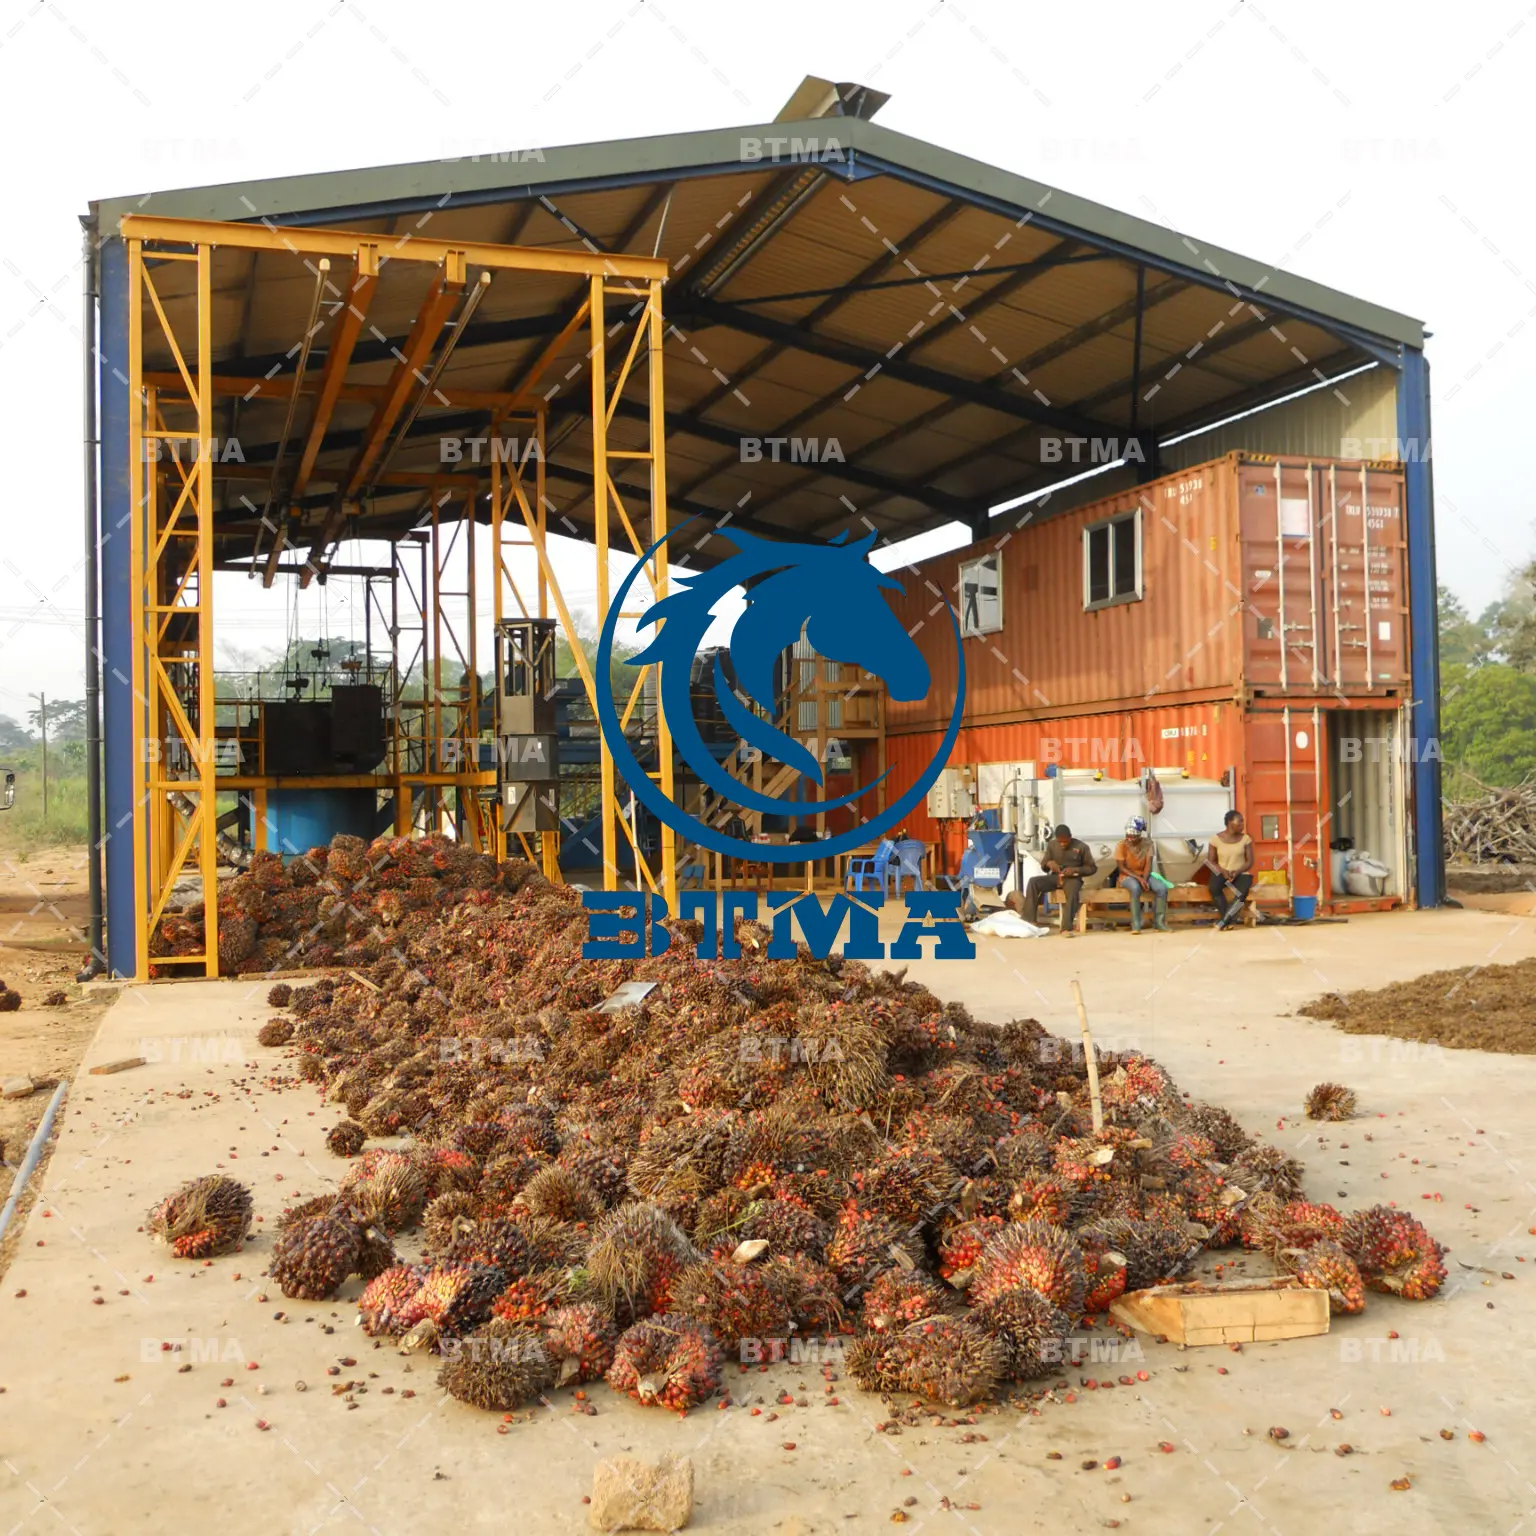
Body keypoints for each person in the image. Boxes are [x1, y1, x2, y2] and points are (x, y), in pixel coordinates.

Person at [1021, 824, 1096, 934]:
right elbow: (1044, 865)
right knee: (1033, 882)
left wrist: (1076, 870)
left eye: (1065, 842)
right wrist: (1049, 864)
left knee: (1072, 894)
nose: (1063, 844)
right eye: (1060, 842)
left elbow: (1092, 868)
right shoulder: (1052, 845)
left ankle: (1066, 928)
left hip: (1072, 878)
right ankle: (1029, 920)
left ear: (1070, 837)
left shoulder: (1081, 847)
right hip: (1055, 877)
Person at [1116, 816, 1168, 933]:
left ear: (1140, 835)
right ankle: (1136, 924)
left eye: (1133, 836)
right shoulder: (1121, 845)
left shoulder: (1148, 844)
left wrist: (1144, 879)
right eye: (1128, 835)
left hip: (1145, 874)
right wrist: (1139, 879)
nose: (1130, 838)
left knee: (1162, 888)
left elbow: (1148, 864)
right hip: (1127, 876)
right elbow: (1121, 867)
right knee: (1135, 888)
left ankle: (1159, 922)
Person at [1204, 809, 1255, 929]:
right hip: (1222, 871)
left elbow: (1249, 861)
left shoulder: (1246, 839)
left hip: (1241, 872)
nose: (1243, 825)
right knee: (1214, 888)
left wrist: (1237, 872)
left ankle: (1223, 921)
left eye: (1243, 822)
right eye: (1240, 822)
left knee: (1242, 894)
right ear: (1230, 823)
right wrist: (1223, 871)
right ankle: (1228, 921)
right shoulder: (1215, 839)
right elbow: (1211, 861)